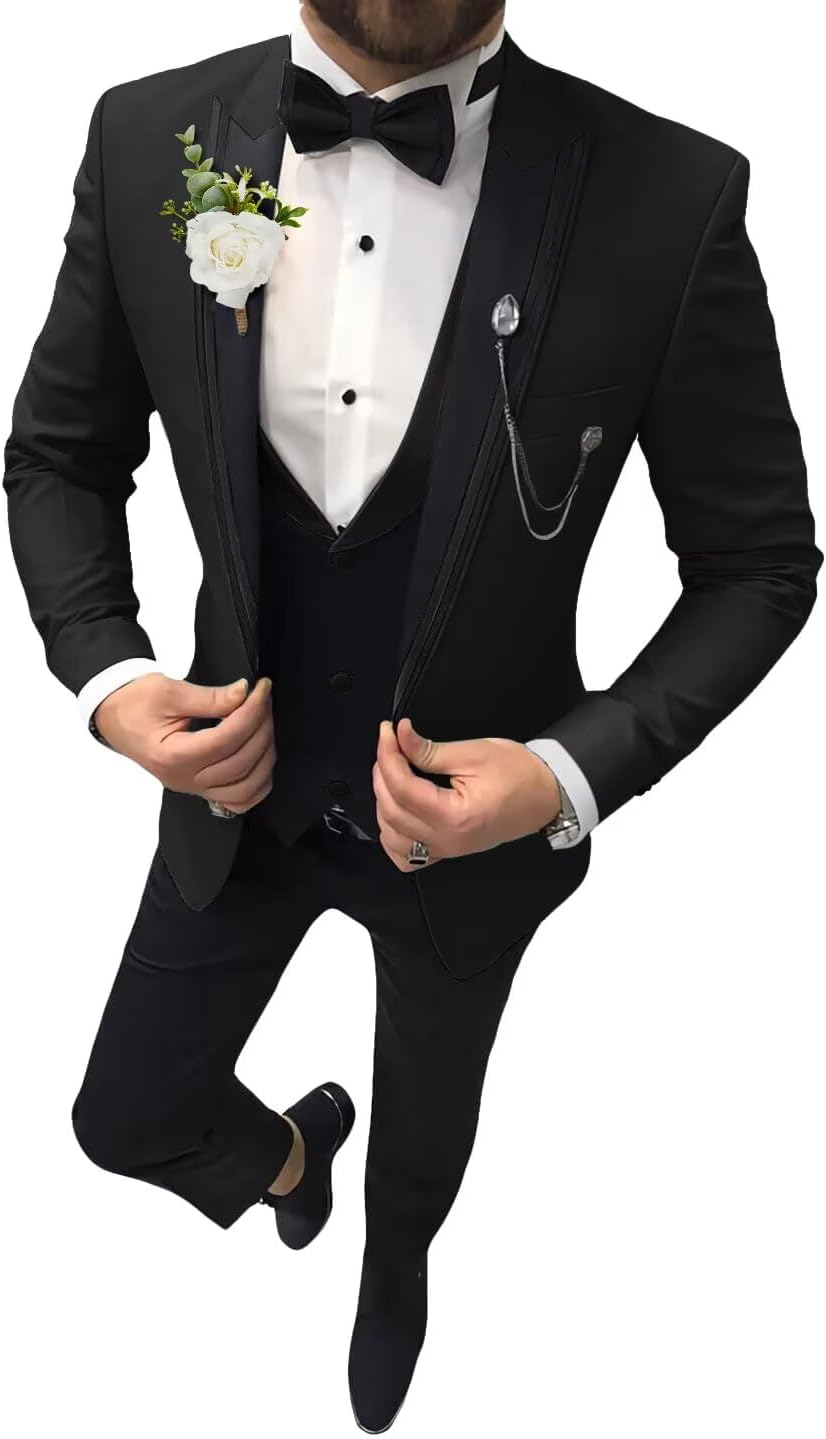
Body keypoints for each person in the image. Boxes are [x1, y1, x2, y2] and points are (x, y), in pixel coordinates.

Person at [3, 1, 820, 1430]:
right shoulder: (148, 138)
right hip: (233, 798)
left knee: (426, 1141)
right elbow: (61, 457)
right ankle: (290, 1164)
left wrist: (565, 774)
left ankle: (397, 1269)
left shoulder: (671, 193)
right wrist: (112, 680)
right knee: (121, 1116)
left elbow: (756, 563)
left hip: (474, 838)